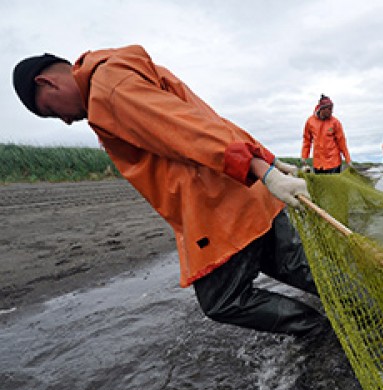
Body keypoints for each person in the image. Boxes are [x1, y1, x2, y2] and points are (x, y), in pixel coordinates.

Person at [12, 45, 326, 337]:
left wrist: (264, 169)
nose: (65, 121)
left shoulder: (106, 90)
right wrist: (267, 163)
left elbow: (187, 131)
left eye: (52, 112)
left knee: (222, 300)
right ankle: (363, 313)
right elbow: (206, 120)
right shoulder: (117, 72)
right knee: (302, 270)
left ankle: (318, 331)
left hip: (218, 205)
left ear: (47, 82)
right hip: (247, 191)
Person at [301, 94, 352, 174]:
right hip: (318, 163)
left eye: (332, 109)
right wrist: (304, 156)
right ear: (322, 109)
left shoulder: (335, 122)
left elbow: (342, 142)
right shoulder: (310, 121)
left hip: (334, 162)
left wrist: (348, 160)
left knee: (334, 186)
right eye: (330, 109)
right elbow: (307, 140)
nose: (332, 111)